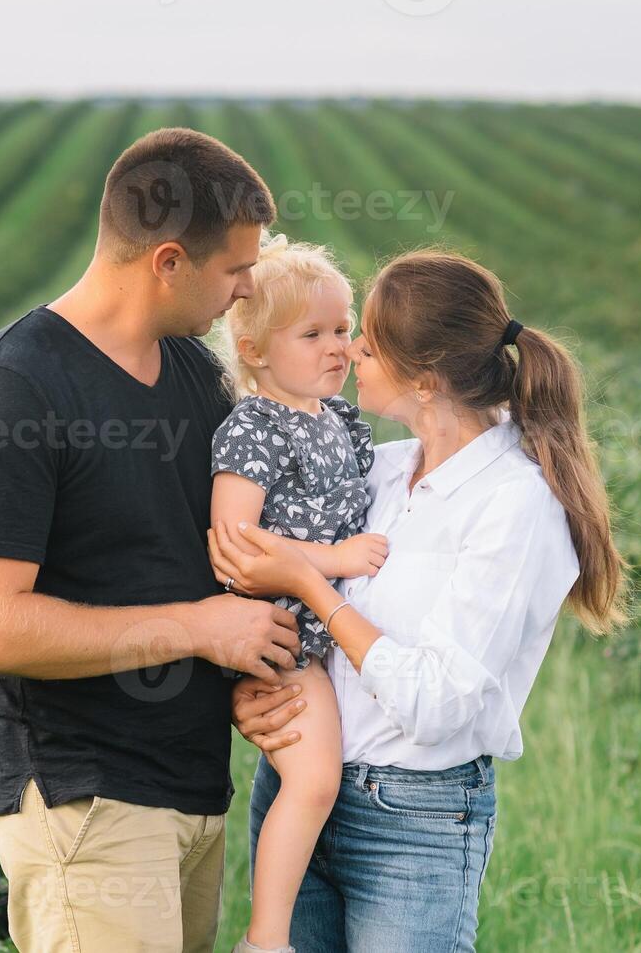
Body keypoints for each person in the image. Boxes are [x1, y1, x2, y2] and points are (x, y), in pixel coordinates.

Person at [0, 127, 298, 953]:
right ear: (168, 261)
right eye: (236, 268)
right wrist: (204, 627)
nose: (247, 289)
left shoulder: (195, 375)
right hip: (86, 797)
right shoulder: (13, 391)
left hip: (193, 786)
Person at [213, 246, 628, 952]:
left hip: (412, 822)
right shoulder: (380, 470)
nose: (350, 352)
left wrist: (309, 580)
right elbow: (264, 568)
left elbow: (437, 703)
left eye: (367, 342)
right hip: (300, 785)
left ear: (427, 381)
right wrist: (252, 691)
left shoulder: (514, 505)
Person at [208, 232, 388, 953]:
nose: (337, 347)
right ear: (254, 351)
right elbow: (234, 543)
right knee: (313, 782)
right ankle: (266, 939)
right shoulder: (255, 427)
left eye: (344, 330)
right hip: (279, 637)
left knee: (321, 781)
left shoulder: (339, 420)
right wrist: (333, 558)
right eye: (312, 334)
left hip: (323, 635)